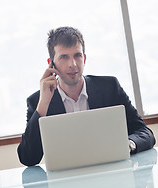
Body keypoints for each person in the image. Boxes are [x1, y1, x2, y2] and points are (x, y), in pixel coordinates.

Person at [17, 26, 155, 166]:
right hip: (65, 182)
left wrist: (128, 145)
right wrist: (43, 106)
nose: (73, 64)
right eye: (64, 57)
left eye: (77, 55)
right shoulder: (38, 101)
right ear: (51, 63)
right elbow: (28, 158)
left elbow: (145, 133)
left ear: (85, 58)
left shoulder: (110, 87)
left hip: (110, 176)